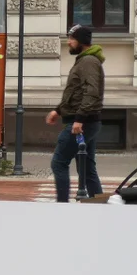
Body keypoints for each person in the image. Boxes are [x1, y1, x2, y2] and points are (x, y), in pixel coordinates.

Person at [48, 25, 105, 202]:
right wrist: (58, 110)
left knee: (59, 163)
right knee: (87, 167)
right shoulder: (84, 60)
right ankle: (100, 205)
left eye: (72, 38)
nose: (69, 42)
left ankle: (62, 206)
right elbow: (76, 91)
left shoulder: (88, 61)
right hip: (87, 120)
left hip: (82, 123)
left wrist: (79, 119)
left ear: (80, 41)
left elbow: (91, 91)